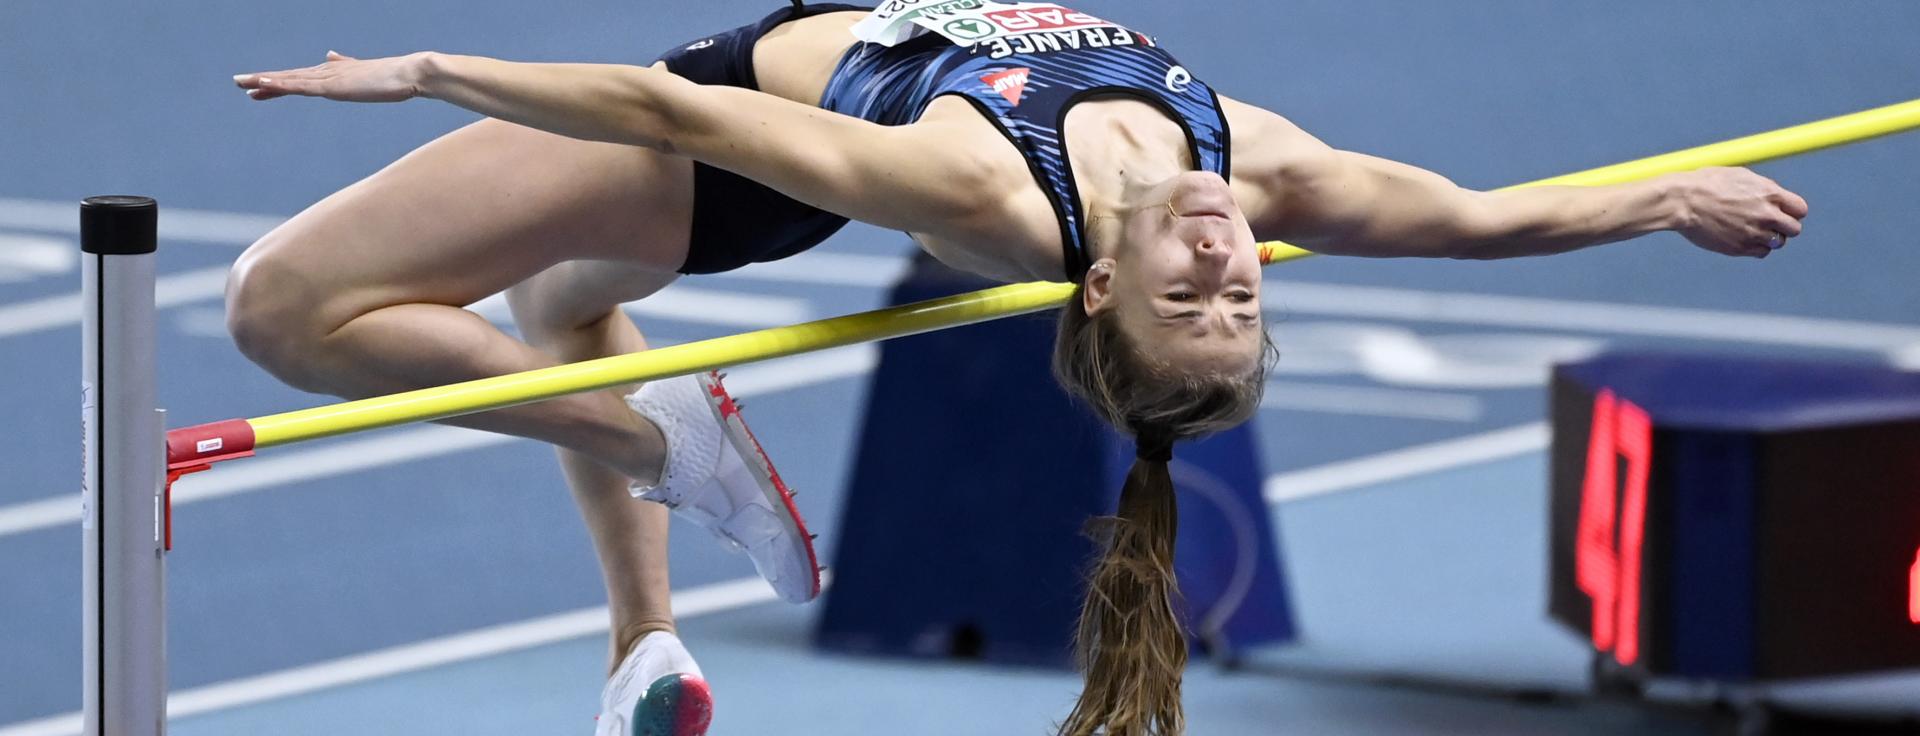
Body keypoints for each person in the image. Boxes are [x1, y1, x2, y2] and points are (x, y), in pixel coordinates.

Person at [229, 2, 1809, 734]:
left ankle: (669, 454)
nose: (1227, 262)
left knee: (285, 311)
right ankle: (644, 642)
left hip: (726, 136)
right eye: (1244, 296)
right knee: (569, 307)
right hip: (775, 123)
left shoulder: (996, 198)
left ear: (1101, 285)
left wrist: (426, 70)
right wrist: (1672, 198)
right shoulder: (1255, 172)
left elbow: (678, 118)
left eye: (1191, 295)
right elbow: (1477, 221)